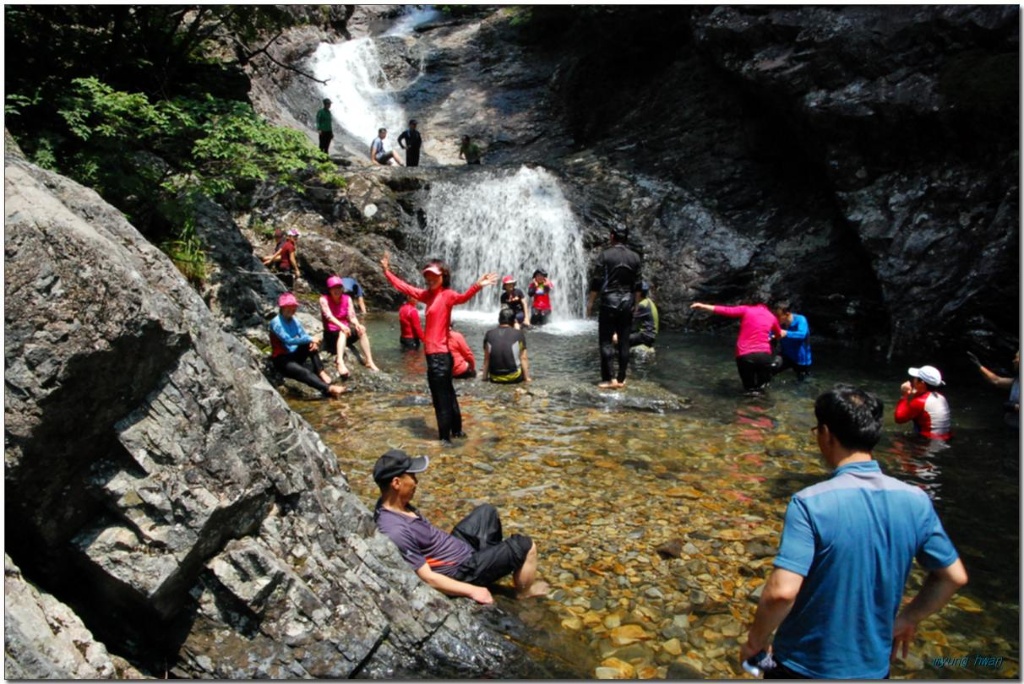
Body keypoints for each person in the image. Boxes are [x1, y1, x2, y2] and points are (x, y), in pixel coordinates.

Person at [740, 384, 967, 679]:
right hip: (874, 669)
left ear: (825, 433)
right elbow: (953, 576)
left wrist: (755, 643)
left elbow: (782, 593)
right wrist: (907, 619)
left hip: (803, 666)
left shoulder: (810, 503)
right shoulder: (916, 500)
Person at [372, 449, 549, 604]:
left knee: (487, 512)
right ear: (396, 483)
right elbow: (428, 578)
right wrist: (472, 590)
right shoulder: (395, 530)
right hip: (461, 570)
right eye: (412, 476)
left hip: (461, 549)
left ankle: (493, 565)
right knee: (526, 546)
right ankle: (524, 593)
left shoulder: (392, 504)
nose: (416, 482)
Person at [380, 251, 497, 444]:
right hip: (440, 356)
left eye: (435, 275)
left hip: (438, 357)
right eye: (428, 276)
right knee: (448, 392)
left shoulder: (448, 295)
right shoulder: (427, 296)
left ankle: (444, 439)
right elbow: (406, 288)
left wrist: (478, 285)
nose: (430, 279)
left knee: (440, 398)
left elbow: (463, 298)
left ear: (444, 276)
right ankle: (457, 431)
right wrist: (387, 271)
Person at [586, 226, 642, 389]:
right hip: (627, 302)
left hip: (609, 301)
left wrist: (590, 302)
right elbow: (638, 283)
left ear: (612, 236)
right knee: (624, 341)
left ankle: (609, 379)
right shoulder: (635, 257)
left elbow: (596, 280)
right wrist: (636, 304)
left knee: (605, 341)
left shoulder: (605, 255)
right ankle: (622, 378)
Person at [690, 300, 782, 394]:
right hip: (764, 355)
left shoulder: (747, 310)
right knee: (762, 387)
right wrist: (771, 337)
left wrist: (703, 306)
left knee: (749, 388)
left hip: (745, 355)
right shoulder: (772, 317)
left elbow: (726, 310)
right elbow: (779, 334)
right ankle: (763, 405)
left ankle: (747, 405)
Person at [269, 292, 345, 398]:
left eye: (294, 307)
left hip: (294, 354)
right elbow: (288, 340)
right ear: (282, 308)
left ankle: (320, 370)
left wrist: (312, 342)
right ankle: (329, 388)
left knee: (309, 344)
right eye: (289, 308)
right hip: (282, 359)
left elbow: (303, 335)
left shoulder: (294, 320)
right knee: (303, 372)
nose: (292, 310)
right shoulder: (276, 322)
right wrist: (310, 339)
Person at [319, 275, 380, 377]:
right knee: (343, 331)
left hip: (346, 332)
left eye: (339, 287)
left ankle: (369, 361)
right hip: (331, 334)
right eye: (334, 288)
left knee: (362, 331)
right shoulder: (323, 299)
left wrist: (357, 324)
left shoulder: (347, 299)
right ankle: (340, 361)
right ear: (329, 290)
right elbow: (329, 316)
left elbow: (352, 316)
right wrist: (342, 326)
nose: (337, 290)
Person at [894, 365, 951, 440]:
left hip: (927, 442)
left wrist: (904, 395)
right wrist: (911, 393)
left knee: (896, 439)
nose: (913, 380)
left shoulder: (920, 402)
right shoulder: (941, 398)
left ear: (922, 384)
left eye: (915, 378)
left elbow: (899, 418)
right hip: (944, 438)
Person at [968, 349, 1019, 429]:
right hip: (1009, 427)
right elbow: (996, 380)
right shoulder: (1017, 381)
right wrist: (979, 366)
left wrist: (1015, 407)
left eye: (1016, 358)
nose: (1013, 361)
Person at [482, 308, 530, 384]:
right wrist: (527, 378)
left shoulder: (489, 334)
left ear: (499, 320)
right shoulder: (519, 334)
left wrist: (484, 378)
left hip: (494, 377)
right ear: (514, 321)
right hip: (514, 377)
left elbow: (486, 359)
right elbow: (523, 358)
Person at [771, 300, 812, 380]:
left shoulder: (801, 319)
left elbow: (802, 334)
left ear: (787, 314)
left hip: (801, 359)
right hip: (786, 355)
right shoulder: (779, 324)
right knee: (771, 368)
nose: (775, 318)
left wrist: (786, 333)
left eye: (778, 316)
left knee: (802, 382)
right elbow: (770, 333)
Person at [629, 281, 658, 348]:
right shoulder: (648, 301)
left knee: (617, 339)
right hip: (650, 336)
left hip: (645, 336)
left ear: (638, 293)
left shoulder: (642, 305)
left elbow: (630, 322)